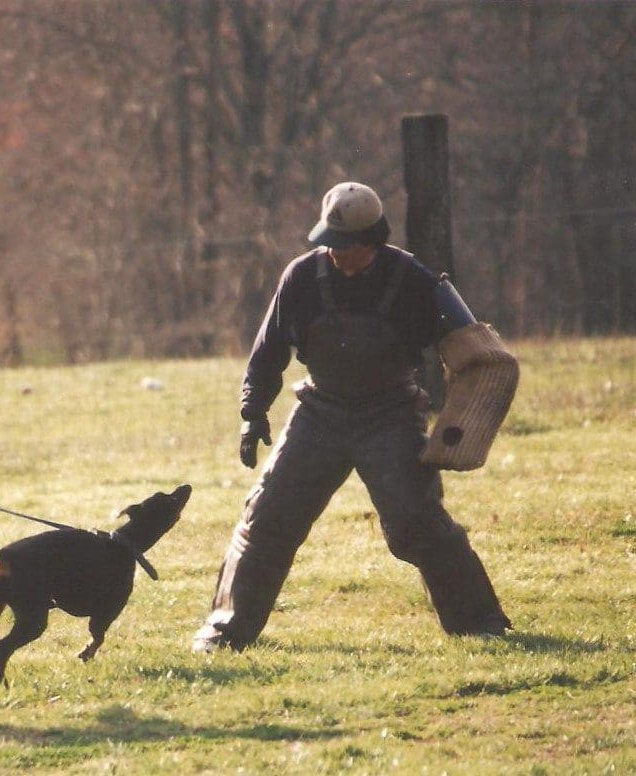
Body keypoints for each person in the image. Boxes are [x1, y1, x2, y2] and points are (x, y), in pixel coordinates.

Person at [192, 182, 512, 653]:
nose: (333, 254)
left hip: (391, 413)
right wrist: (252, 412)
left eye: (343, 245)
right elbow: (268, 351)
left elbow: (479, 353)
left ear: (372, 241)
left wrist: (460, 421)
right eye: (328, 242)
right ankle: (224, 631)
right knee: (267, 520)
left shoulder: (415, 282)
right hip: (319, 412)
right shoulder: (300, 278)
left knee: (415, 525)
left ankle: (479, 624)